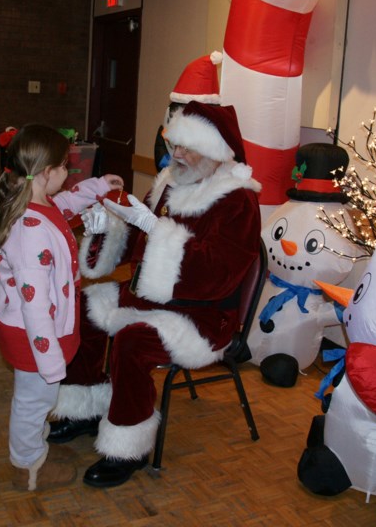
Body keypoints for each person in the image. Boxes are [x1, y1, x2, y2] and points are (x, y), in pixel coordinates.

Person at [50, 101, 262, 488]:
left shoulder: (238, 200)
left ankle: (127, 449)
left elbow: (217, 276)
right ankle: (86, 408)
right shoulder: (168, 182)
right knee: (83, 306)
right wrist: (106, 226)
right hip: (148, 297)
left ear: (214, 150)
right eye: (173, 144)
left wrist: (156, 229)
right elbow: (133, 243)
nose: (174, 154)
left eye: (185, 147)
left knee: (134, 341)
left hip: (201, 314)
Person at [0, 124, 124, 491]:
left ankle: (35, 448)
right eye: (65, 166)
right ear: (47, 172)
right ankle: (27, 466)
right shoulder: (30, 230)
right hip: (35, 335)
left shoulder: (41, 203)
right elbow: (35, 307)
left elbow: (67, 202)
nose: (70, 171)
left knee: (38, 399)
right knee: (33, 401)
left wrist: (98, 187)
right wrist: (50, 360)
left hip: (40, 333)